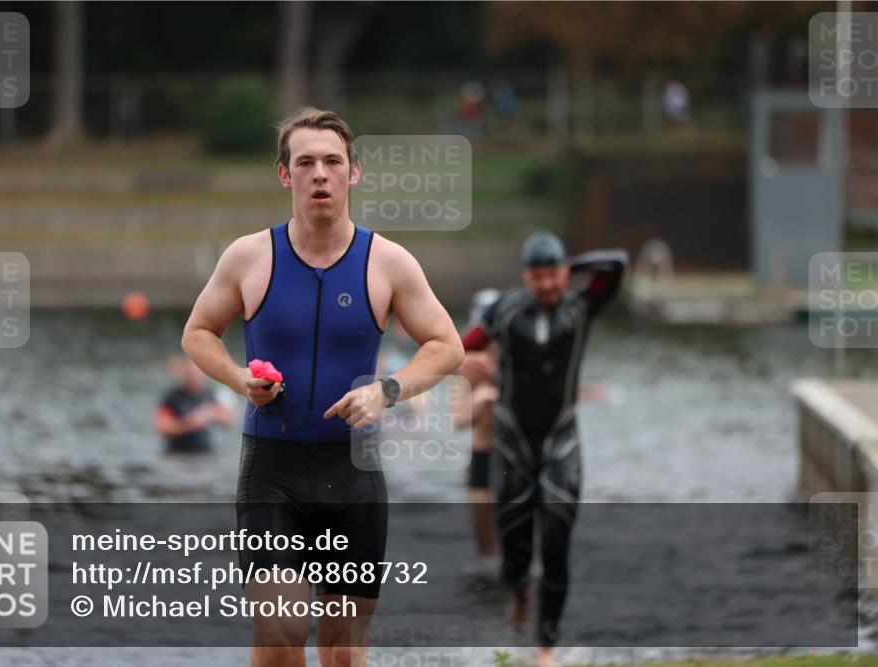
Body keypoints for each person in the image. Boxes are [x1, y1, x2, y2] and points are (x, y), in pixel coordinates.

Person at [182, 107, 464, 667]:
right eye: (305, 162)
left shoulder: (387, 262)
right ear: (285, 175)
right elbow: (197, 333)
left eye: (332, 161)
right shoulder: (249, 256)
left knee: (341, 649)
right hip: (272, 470)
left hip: (352, 475)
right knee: (282, 632)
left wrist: (386, 390)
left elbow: (447, 346)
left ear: (352, 172)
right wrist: (239, 378)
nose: (320, 174)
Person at [459, 232, 627, 667]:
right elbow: (459, 344)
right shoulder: (506, 310)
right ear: (525, 277)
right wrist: (462, 361)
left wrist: (571, 261)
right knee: (514, 550)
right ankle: (518, 592)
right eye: (538, 276)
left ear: (565, 273)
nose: (548, 285)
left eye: (554, 275)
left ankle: (546, 645)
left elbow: (617, 265)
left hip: (561, 443)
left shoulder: (581, 307)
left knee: (556, 543)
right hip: (513, 444)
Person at [453, 289, 502, 579]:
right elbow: (458, 420)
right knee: (487, 553)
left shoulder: (519, 356)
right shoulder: (467, 365)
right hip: (482, 458)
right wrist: (482, 399)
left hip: (517, 457)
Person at [154, 357, 232, 454]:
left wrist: (213, 414)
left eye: (196, 374)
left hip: (204, 452)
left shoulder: (209, 394)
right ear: (183, 375)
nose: (193, 378)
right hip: (178, 452)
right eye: (189, 374)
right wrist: (191, 422)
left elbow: (227, 421)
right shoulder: (172, 397)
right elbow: (162, 428)